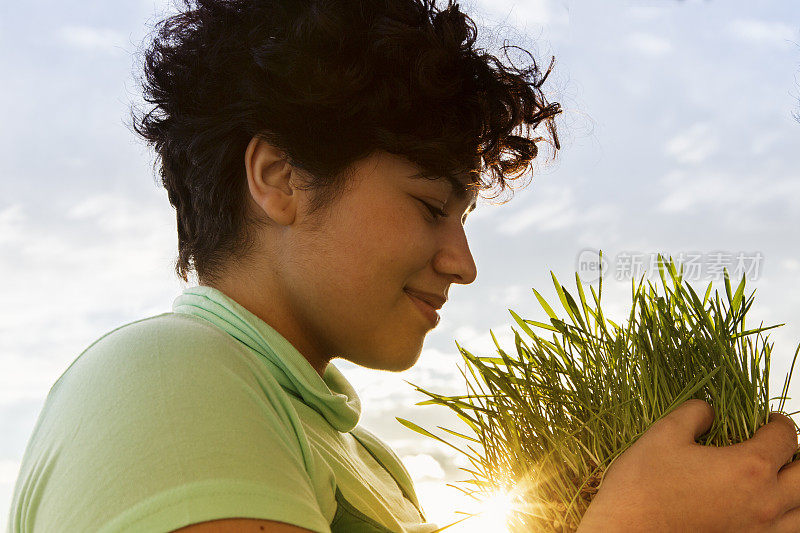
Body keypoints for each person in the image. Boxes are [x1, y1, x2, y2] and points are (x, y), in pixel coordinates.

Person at [7, 0, 800, 531]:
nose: (462, 262)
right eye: (430, 206)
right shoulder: (170, 377)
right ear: (279, 178)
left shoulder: (365, 459)